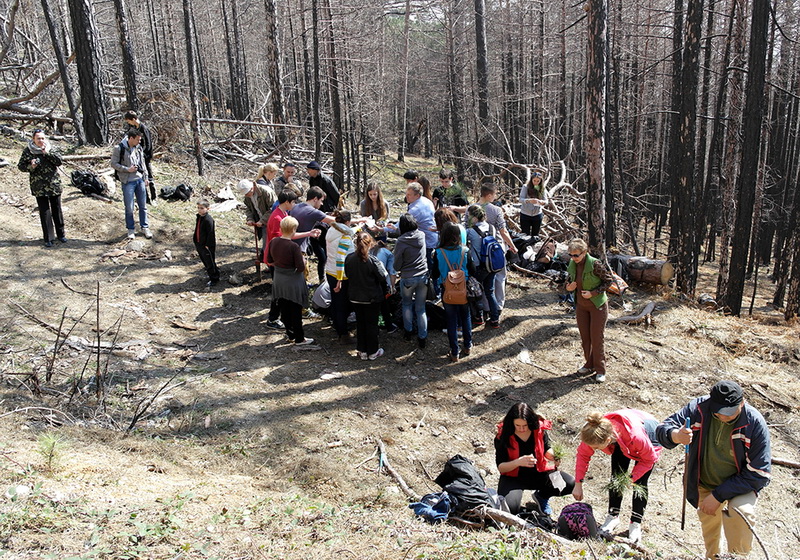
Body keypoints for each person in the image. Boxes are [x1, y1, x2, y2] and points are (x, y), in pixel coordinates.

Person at [656, 380, 771, 559]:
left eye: (730, 413)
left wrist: (718, 496)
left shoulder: (754, 423)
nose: (724, 417)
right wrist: (676, 435)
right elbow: (663, 428)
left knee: (742, 513)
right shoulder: (699, 409)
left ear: (742, 402)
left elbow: (759, 473)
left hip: (740, 486)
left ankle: (738, 557)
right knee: (710, 529)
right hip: (705, 482)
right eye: (719, 412)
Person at [573, 409, 663, 543]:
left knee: (640, 483)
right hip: (622, 439)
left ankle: (635, 523)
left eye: (597, 447)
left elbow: (649, 459)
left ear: (608, 440)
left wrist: (631, 478)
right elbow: (583, 455)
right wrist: (578, 484)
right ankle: (613, 516)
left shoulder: (636, 436)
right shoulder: (594, 431)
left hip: (649, 435)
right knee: (616, 478)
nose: (595, 450)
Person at [495, 402, 576, 515]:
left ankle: (541, 496)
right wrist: (518, 462)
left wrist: (553, 456)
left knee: (570, 484)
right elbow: (501, 467)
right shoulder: (503, 434)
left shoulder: (538, 428)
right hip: (514, 477)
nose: (522, 429)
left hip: (540, 472)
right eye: (517, 425)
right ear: (511, 423)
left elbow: (546, 449)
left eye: (525, 425)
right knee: (510, 509)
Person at [565, 238, 613, 382]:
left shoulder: (595, 264)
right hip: (581, 306)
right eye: (571, 255)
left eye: (576, 255)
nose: (573, 258)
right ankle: (589, 364)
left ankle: (600, 369)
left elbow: (608, 281)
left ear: (584, 252)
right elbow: (568, 281)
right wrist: (568, 287)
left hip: (597, 306)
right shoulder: (572, 264)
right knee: (585, 338)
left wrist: (593, 293)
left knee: (596, 338)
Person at [266, 216, 314, 345]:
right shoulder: (293, 246)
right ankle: (299, 338)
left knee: (284, 308)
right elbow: (300, 267)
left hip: (279, 280)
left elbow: (269, 260)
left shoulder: (274, 242)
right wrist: (303, 261)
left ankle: (290, 334)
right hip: (293, 281)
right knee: (295, 310)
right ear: (293, 229)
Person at [432, 222, 473, 362]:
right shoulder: (465, 251)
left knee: (451, 320)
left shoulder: (438, 253)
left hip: (447, 289)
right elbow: (473, 270)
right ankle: (467, 345)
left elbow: (435, 273)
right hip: (463, 288)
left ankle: (454, 352)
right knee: (465, 316)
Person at [17, 129, 65, 248]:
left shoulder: (50, 148)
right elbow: (21, 166)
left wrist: (47, 153)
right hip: (38, 185)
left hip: (53, 184)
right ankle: (48, 238)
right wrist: (31, 166)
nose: (41, 141)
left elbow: (59, 161)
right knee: (44, 212)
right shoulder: (28, 151)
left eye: (42, 138)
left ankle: (61, 234)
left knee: (57, 210)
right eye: (38, 138)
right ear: (33, 139)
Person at [345, 232, 389, 360]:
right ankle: (373, 351)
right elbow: (382, 276)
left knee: (360, 323)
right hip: (371, 297)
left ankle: (362, 350)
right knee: (371, 324)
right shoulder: (372, 260)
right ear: (370, 244)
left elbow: (347, 274)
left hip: (355, 296)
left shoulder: (349, 258)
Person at [476, 183, 519, 310]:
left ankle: (485, 307)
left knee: (482, 279)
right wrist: (513, 246)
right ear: (489, 195)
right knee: (499, 277)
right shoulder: (496, 210)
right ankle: (498, 306)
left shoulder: (471, 208)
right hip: (495, 249)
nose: (495, 197)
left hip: (478, 249)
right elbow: (503, 231)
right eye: (494, 195)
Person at [393, 213, 428, 349]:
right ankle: (422, 338)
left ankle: (408, 332)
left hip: (407, 278)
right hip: (423, 276)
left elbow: (396, 265)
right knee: (421, 309)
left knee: (407, 305)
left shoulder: (401, 241)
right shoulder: (422, 235)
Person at [326, 210, 360, 344]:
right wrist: (340, 279)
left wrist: (359, 226)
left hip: (330, 271)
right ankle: (343, 334)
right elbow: (340, 259)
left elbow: (350, 231)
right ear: (347, 222)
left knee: (336, 303)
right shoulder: (345, 237)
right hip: (341, 275)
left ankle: (338, 327)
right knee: (342, 305)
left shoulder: (331, 231)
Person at [111, 129, 152, 240]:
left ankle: (145, 227)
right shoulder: (119, 148)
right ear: (131, 138)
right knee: (129, 207)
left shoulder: (138, 148)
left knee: (143, 206)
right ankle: (131, 229)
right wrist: (127, 169)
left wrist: (146, 177)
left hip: (140, 180)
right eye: (137, 140)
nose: (139, 142)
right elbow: (113, 164)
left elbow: (143, 163)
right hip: (128, 181)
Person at [291, 186, 335, 283]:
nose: (322, 203)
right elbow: (335, 221)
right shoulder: (312, 211)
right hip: (299, 249)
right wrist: (360, 220)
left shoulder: (296, 206)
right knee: (300, 278)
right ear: (315, 199)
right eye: (321, 200)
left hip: (290, 246)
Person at [466, 204, 500, 328]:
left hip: (478, 265)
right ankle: (495, 318)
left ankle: (478, 317)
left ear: (474, 217)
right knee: (490, 292)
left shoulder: (470, 231)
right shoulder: (492, 228)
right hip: (491, 265)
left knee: (476, 292)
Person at [123, 111, 156, 205]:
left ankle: (154, 197)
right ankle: (146, 198)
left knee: (149, 176)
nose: (128, 123)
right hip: (138, 156)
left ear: (133, 119)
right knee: (140, 176)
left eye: (129, 121)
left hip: (145, 156)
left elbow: (148, 145)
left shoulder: (144, 129)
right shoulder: (133, 128)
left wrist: (142, 154)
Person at [238, 179, 275, 257]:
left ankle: (269, 262)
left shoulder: (266, 192)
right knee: (265, 243)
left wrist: (263, 220)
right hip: (260, 220)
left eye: (247, 193)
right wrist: (250, 219)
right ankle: (265, 257)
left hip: (272, 221)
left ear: (252, 188)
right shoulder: (248, 196)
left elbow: (273, 208)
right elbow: (248, 208)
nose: (246, 196)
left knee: (269, 244)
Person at [403, 182, 437, 267]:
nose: (406, 196)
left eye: (409, 195)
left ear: (417, 195)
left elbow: (402, 225)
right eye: (406, 194)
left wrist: (384, 229)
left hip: (426, 241)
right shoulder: (426, 200)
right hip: (433, 238)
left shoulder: (416, 209)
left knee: (428, 266)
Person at [370, 240, 397, 334]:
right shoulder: (387, 253)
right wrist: (392, 286)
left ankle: (373, 327)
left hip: (368, 282)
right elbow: (392, 272)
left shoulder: (369, 251)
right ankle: (389, 326)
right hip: (381, 281)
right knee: (384, 304)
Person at [193, 199, 220, 287]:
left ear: (208, 209)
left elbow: (211, 234)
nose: (199, 210)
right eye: (198, 208)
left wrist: (208, 245)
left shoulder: (208, 220)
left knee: (210, 262)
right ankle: (212, 275)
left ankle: (214, 279)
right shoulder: (199, 217)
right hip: (199, 243)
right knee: (205, 260)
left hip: (206, 245)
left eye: (202, 208)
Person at [519, 171, 548, 237]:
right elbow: (520, 199)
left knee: (535, 235)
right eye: (534, 180)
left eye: (538, 181)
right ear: (531, 180)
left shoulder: (542, 188)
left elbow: (546, 201)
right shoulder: (526, 187)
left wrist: (542, 202)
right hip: (525, 214)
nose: (536, 183)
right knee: (525, 235)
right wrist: (529, 200)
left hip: (537, 214)